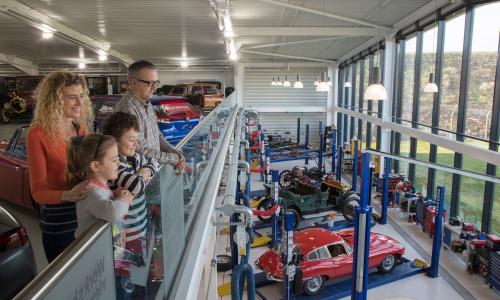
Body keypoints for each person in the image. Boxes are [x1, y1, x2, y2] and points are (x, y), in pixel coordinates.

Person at [27, 72, 93, 263]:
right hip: (59, 220)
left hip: (85, 212)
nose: (79, 103)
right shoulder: (38, 134)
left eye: (81, 96)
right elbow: (38, 192)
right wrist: (67, 195)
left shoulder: (81, 128)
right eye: (72, 97)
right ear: (54, 100)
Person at [102, 111, 159, 254]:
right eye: (131, 140)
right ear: (115, 141)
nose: (136, 144)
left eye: (137, 139)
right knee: (125, 273)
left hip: (139, 227)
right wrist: (140, 175)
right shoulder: (116, 165)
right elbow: (137, 186)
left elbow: (154, 162)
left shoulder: (133, 158)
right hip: (123, 235)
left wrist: (141, 174)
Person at [113, 60, 185, 173]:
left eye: (156, 83)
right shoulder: (127, 109)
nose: (154, 88)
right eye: (149, 83)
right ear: (133, 82)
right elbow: (139, 149)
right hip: (139, 178)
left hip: (153, 169)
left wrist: (176, 153)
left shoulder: (147, 103)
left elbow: (158, 136)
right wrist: (174, 159)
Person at [65, 134, 133, 238]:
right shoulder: (90, 192)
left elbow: (102, 204)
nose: (119, 163)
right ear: (95, 166)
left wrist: (115, 196)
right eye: (114, 160)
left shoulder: (100, 186)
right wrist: (123, 199)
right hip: (92, 251)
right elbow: (112, 212)